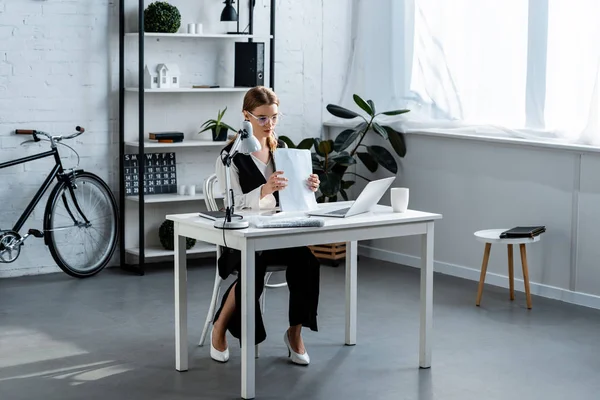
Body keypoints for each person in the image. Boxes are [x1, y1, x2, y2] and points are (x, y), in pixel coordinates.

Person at [211, 86, 321, 366]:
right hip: (242, 240)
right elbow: (231, 203)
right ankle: (219, 328)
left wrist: (309, 187)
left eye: (274, 117)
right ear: (245, 116)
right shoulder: (230, 156)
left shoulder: (281, 149)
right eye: (262, 118)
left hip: (277, 234)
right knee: (253, 267)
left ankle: (294, 333)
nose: (269, 124)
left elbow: (293, 198)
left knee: (308, 261)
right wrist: (263, 189)